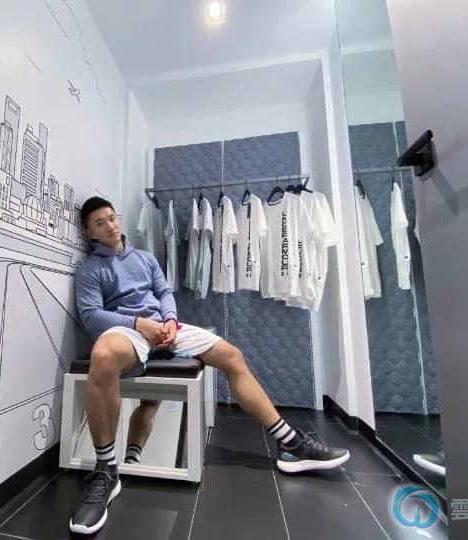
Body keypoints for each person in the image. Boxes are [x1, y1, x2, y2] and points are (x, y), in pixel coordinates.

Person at [69, 197, 350, 535]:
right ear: (90, 232)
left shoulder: (144, 258)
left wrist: (169, 320)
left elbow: (164, 292)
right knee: (102, 354)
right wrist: (139, 324)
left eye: (112, 218)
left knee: (232, 355)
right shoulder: (90, 270)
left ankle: (290, 444)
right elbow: (92, 316)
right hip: (130, 331)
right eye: (100, 223)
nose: (110, 226)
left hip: (166, 328)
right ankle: (106, 470)